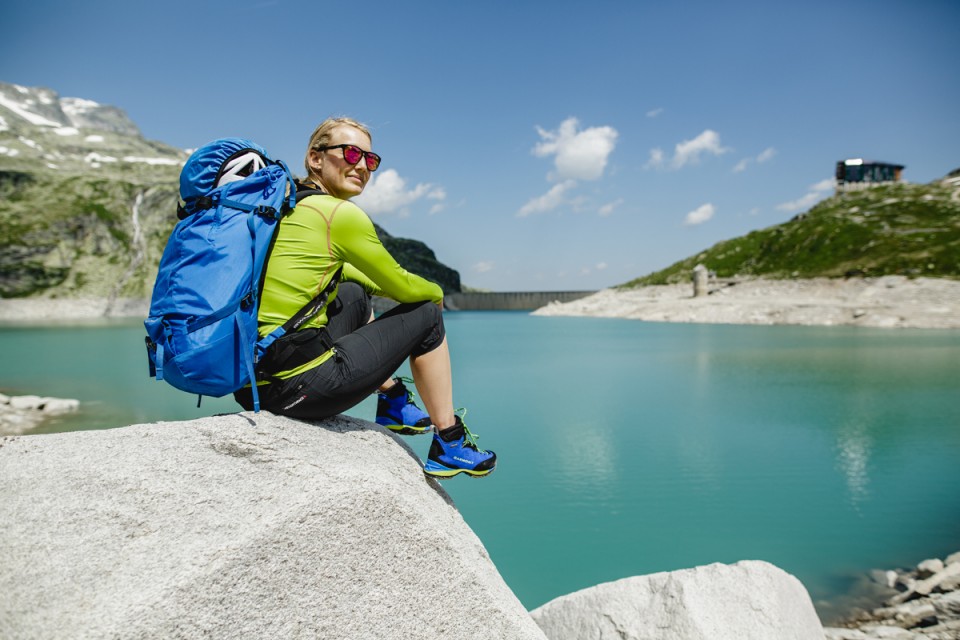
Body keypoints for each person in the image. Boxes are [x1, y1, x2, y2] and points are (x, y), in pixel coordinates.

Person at [234, 117, 496, 479]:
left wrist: (377, 286)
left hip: (254, 386)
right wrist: (436, 295)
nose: (362, 165)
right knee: (425, 313)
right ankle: (449, 441)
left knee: (352, 294)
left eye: (370, 160)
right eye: (351, 152)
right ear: (315, 158)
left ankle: (391, 400)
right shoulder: (338, 215)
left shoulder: (288, 208)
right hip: (298, 391)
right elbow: (404, 286)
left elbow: (359, 279)